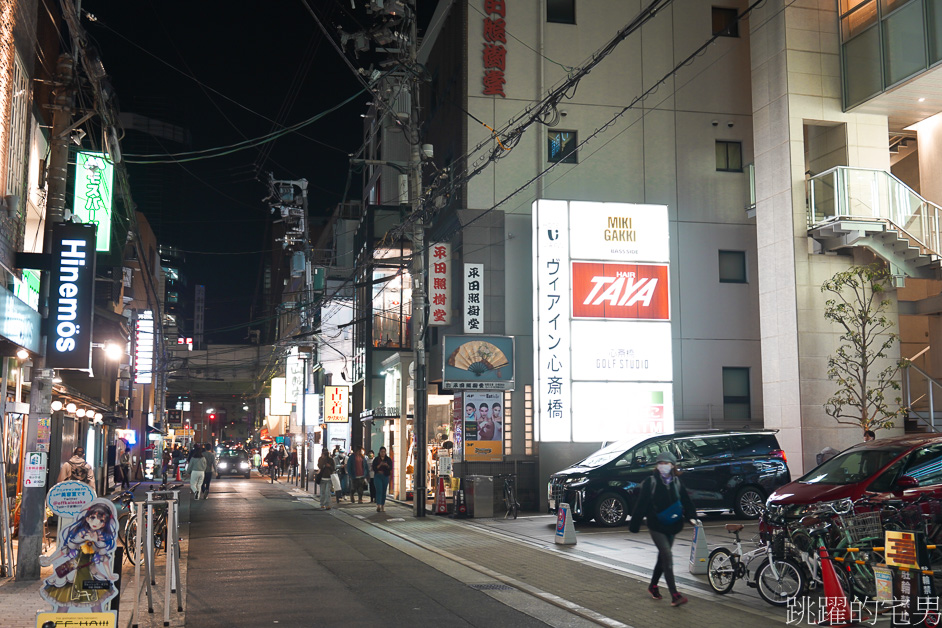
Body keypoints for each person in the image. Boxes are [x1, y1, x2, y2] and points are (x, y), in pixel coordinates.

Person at [628, 451, 696, 607]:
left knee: (662, 558)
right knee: (667, 554)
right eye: (660, 463)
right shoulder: (650, 482)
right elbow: (641, 504)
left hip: (673, 525)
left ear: (672, 465)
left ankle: (653, 586)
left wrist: (693, 516)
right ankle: (674, 594)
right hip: (656, 524)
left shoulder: (677, 482)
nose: (663, 466)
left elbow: (686, 501)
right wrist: (635, 523)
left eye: (666, 463)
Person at [39, 499, 119, 612]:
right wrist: (50, 559)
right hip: (72, 570)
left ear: (104, 524)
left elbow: (104, 558)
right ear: (87, 518)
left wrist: (109, 574)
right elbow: (65, 550)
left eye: (101, 520)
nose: (96, 522)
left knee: (96, 604)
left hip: (91, 572)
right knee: (64, 602)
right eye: (93, 518)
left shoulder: (100, 538)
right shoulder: (80, 534)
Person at [372, 446, 392, 512]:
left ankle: (383, 505)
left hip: (385, 476)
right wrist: (380, 465)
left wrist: (386, 465)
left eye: (384, 452)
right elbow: (374, 468)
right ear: (379, 452)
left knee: (384, 491)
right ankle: (378, 505)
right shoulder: (376, 459)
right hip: (378, 476)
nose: (383, 453)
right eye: (381, 452)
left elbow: (390, 468)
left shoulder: (388, 459)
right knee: (379, 490)